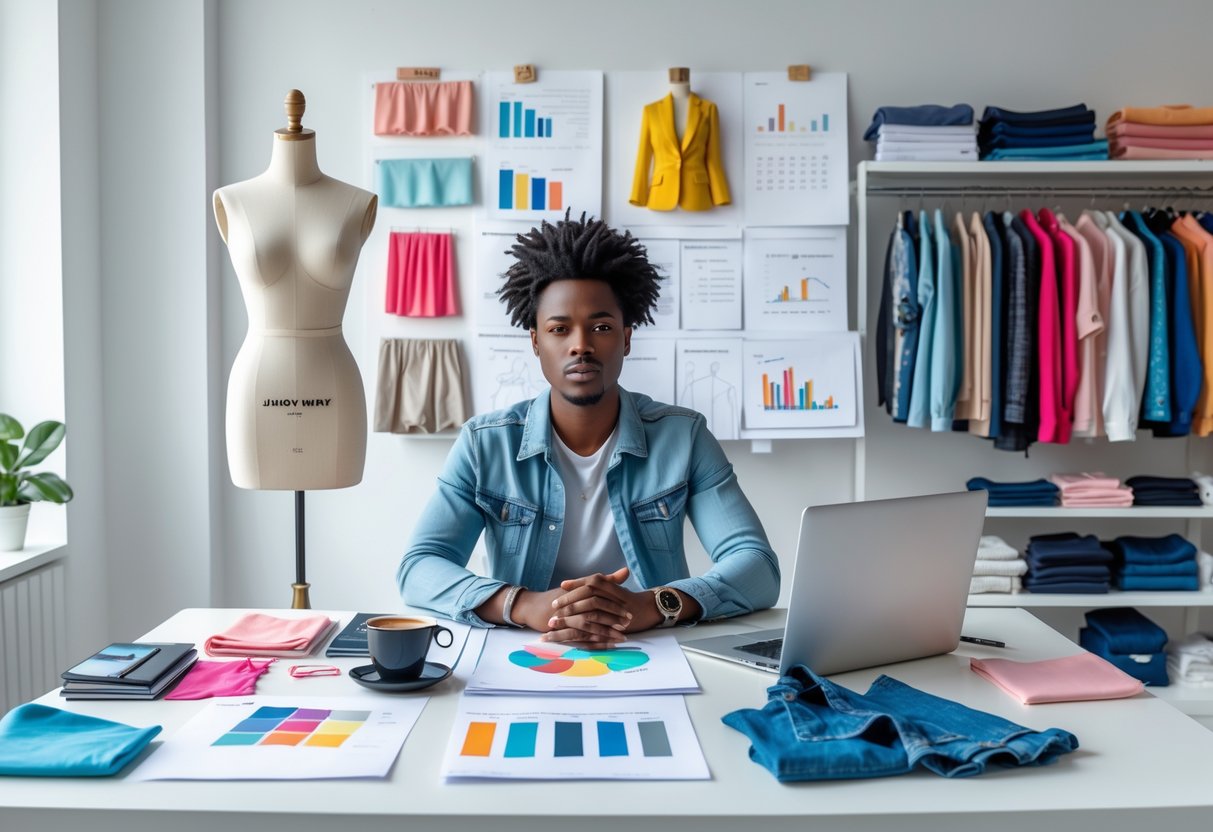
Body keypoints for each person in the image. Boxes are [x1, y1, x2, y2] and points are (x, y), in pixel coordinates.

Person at [397, 213, 779, 644]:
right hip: (525, 648)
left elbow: (757, 567)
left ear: (627, 339)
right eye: (560, 329)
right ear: (536, 342)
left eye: (601, 327)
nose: (581, 344)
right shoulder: (485, 444)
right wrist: (524, 605)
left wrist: (653, 605)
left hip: (649, 646)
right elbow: (420, 567)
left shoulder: (684, 438)